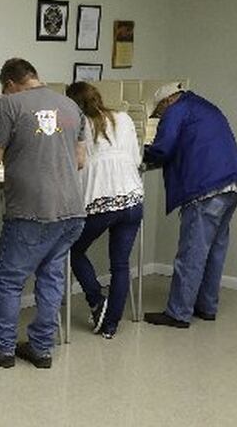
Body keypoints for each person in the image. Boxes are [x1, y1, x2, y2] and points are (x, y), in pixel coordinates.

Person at [0, 58, 85, 369]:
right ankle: (41, 348)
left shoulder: (9, 104)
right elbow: (80, 160)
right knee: (51, 277)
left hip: (31, 210)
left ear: (9, 84)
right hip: (72, 210)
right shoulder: (70, 105)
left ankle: (1, 348)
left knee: (9, 279)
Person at [143, 83, 237, 328]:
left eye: (158, 113)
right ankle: (207, 307)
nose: (159, 118)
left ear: (167, 101)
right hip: (233, 182)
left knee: (193, 250)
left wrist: (141, 153)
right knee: (215, 249)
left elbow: (163, 148)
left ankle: (178, 313)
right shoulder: (204, 106)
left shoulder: (177, 110)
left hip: (206, 186)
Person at [65, 82, 144, 339]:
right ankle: (110, 325)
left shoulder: (77, 125)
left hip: (100, 201)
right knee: (120, 263)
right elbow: (137, 159)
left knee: (73, 249)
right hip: (132, 198)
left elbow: (74, 165)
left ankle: (97, 301)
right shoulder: (124, 118)